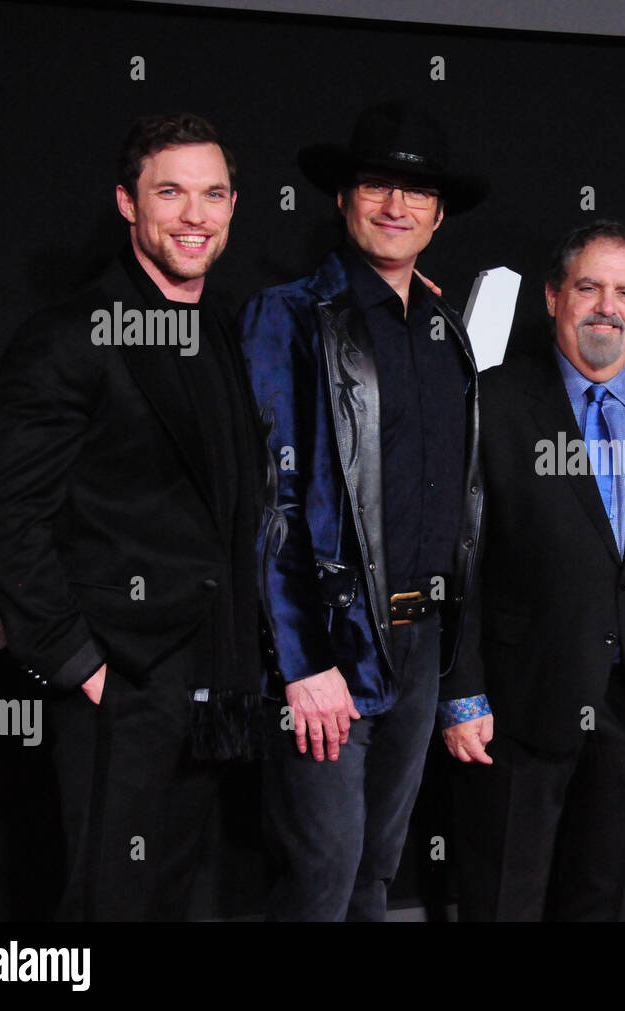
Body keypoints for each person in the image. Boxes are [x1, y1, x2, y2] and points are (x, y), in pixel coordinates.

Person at [0, 113, 264, 920]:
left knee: (171, 896)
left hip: (212, 674)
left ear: (235, 206)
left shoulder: (230, 332)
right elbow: (4, 513)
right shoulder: (69, 335)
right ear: (129, 204)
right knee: (106, 904)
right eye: (170, 191)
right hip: (121, 681)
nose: (195, 215)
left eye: (212, 194)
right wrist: (80, 664)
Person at [238, 102, 486, 921]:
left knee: (376, 874)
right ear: (343, 200)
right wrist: (303, 662)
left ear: (439, 213)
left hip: (422, 648)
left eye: (415, 191)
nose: (395, 205)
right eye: (376, 184)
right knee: (320, 877)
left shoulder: (448, 330)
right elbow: (270, 502)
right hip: (331, 647)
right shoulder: (291, 316)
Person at [441, 221, 625, 920]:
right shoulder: (492, 401)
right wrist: (463, 689)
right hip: (518, 705)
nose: (608, 305)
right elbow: (455, 556)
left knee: (602, 905)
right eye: (589, 287)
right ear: (552, 296)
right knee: (503, 899)